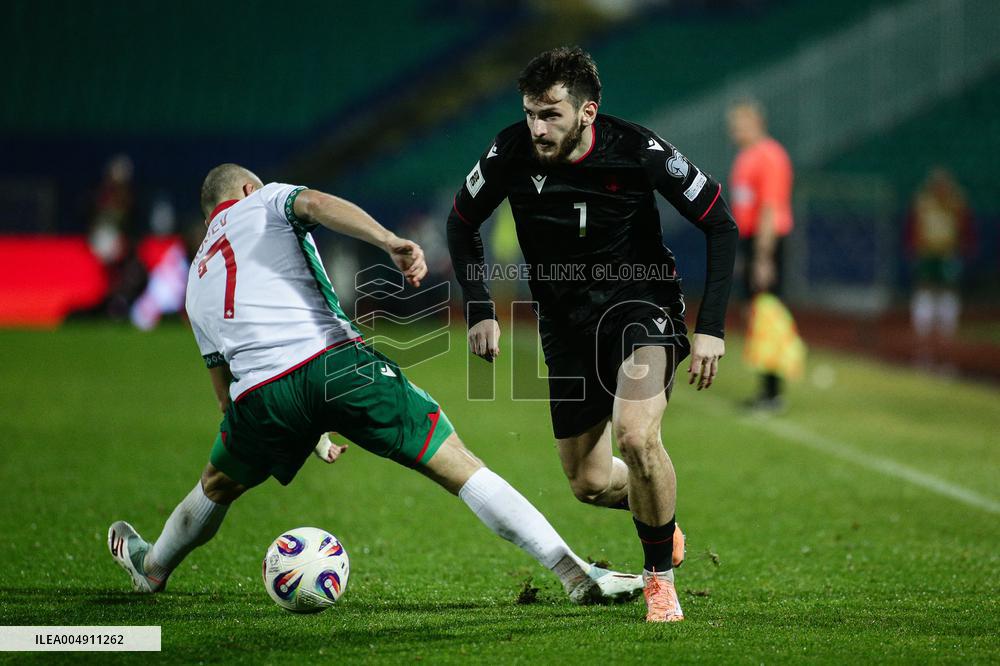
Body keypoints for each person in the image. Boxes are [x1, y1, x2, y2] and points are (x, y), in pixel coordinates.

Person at [107, 164, 644, 606]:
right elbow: (316, 204)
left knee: (216, 485)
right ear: (246, 189)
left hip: (262, 396)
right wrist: (389, 241)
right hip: (334, 362)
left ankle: (153, 567)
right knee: (455, 461)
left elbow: (224, 391)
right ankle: (575, 574)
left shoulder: (196, 277)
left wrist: (302, 427)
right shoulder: (266, 200)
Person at [446, 47, 738, 622]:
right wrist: (479, 308)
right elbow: (461, 224)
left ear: (588, 112)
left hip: (640, 307)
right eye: (531, 113)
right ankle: (662, 519)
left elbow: (720, 224)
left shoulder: (636, 150)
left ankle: (660, 582)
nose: (537, 127)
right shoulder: (509, 150)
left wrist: (710, 329)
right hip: (565, 325)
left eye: (551, 114)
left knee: (636, 437)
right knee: (589, 481)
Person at [727, 98, 795, 411]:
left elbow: (770, 208)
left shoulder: (770, 155)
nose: (734, 131)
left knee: (768, 316)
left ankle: (773, 392)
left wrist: (763, 257)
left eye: (739, 124)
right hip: (751, 241)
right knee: (757, 314)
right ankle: (766, 389)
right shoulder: (746, 157)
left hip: (767, 241)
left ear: (756, 123)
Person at [906, 167, 973, 347]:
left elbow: (964, 225)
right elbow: (916, 225)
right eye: (938, 183)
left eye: (944, 183)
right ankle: (922, 329)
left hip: (948, 251)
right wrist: (914, 247)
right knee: (925, 286)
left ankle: (947, 330)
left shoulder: (956, 202)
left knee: (948, 288)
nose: (941, 187)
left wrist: (963, 246)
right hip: (927, 251)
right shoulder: (924, 201)